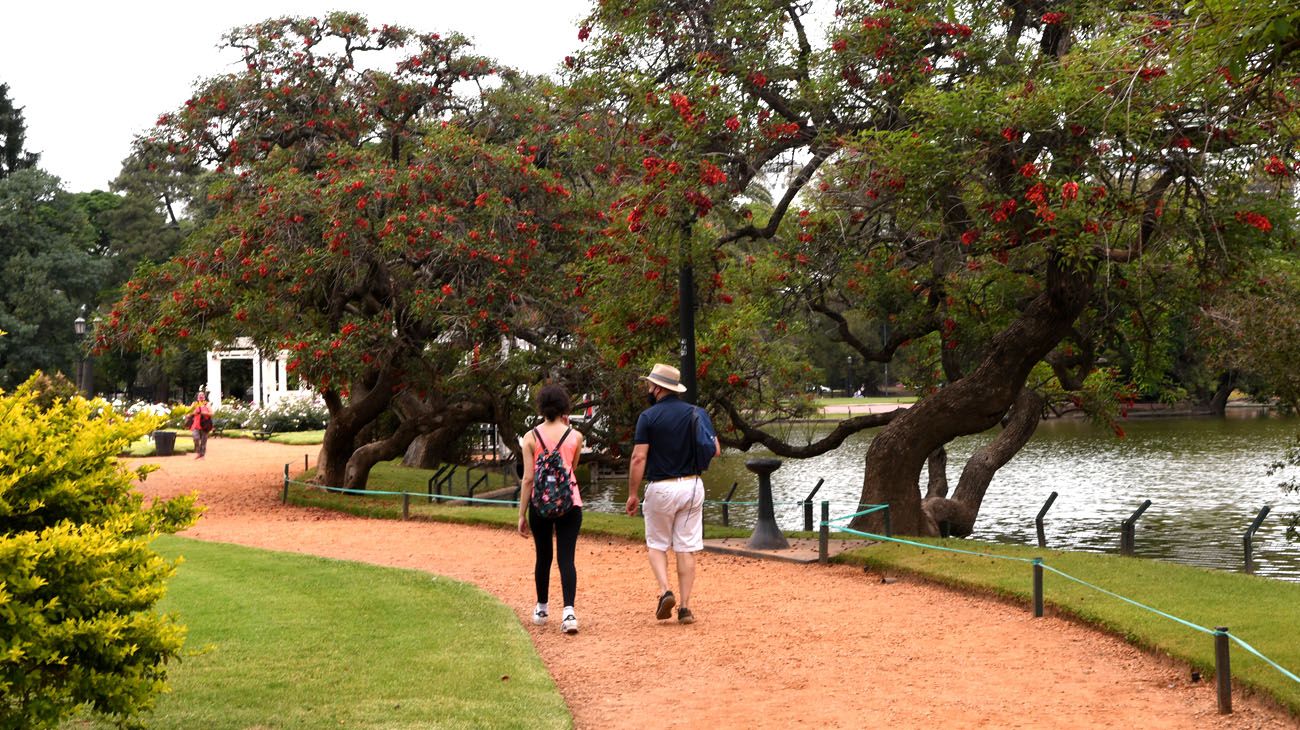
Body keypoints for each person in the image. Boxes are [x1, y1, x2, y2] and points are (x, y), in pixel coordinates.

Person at [624, 363, 719, 625]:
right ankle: (686, 607)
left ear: (657, 387)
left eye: (649, 384)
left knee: (656, 544)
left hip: (661, 486)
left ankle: (665, 590)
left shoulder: (648, 417)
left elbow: (638, 457)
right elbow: (716, 449)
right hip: (691, 485)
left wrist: (633, 493)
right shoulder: (696, 413)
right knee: (686, 548)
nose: (648, 388)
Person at [517, 384, 585, 634]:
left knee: (543, 556)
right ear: (564, 408)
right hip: (570, 502)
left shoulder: (530, 437)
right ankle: (569, 612)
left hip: (540, 503)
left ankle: (542, 607)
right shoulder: (575, 436)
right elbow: (572, 468)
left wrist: (521, 513)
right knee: (566, 558)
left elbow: (528, 478)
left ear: (541, 407)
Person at [187, 391, 213, 459]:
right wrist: (193, 413)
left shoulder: (207, 404)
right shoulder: (194, 404)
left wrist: (203, 413)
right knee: (196, 438)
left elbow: (212, 413)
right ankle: (198, 452)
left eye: (202, 395)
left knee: (204, 441)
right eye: (200, 395)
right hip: (196, 424)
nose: (201, 396)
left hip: (205, 425)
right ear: (197, 396)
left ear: (204, 397)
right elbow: (189, 413)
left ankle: (202, 455)